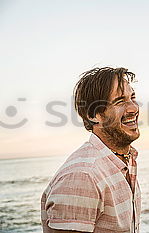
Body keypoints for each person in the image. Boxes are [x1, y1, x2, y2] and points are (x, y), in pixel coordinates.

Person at [41, 67, 141, 233]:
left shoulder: (123, 161)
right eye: (120, 101)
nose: (133, 108)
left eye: (133, 97)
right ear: (94, 115)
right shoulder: (83, 176)